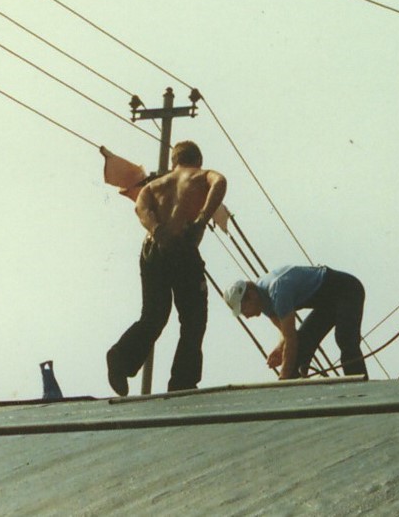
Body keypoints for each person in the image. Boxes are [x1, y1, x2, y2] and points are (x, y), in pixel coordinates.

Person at [106, 141, 227, 396]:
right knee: (194, 319)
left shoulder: (153, 185)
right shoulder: (202, 175)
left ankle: (121, 358)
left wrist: (158, 230)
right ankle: (182, 382)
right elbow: (220, 182)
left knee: (153, 315)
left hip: (153, 251)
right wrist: (202, 219)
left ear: (174, 162)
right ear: (199, 159)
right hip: (182, 248)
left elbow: (141, 206)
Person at [224, 265, 367, 380]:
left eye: (243, 310)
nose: (246, 317)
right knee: (302, 347)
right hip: (327, 302)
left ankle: (361, 391)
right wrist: (280, 348)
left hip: (347, 290)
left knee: (345, 339)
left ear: (251, 295)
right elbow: (284, 332)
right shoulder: (263, 300)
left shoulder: (277, 291)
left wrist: (283, 379)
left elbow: (291, 339)